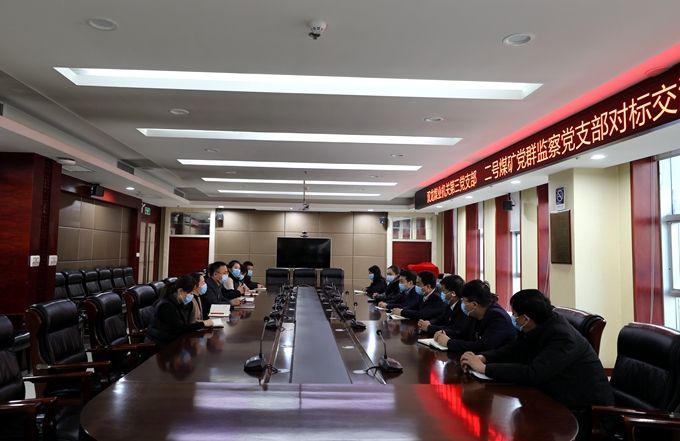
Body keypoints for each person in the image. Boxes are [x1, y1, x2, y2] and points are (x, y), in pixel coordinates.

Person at [460, 289, 615, 440]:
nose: (513, 318)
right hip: (554, 400)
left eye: (514, 314)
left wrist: (485, 369)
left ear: (526, 319)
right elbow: (513, 349)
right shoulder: (536, 326)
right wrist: (484, 358)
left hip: (584, 414)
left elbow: (533, 373)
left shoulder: (562, 336)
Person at [432, 279, 516, 353]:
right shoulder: (474, 313)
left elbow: (483, 346)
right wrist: (445, 333)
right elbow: (464, 334)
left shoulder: (498, 317)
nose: (462, 305)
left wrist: (449, 343)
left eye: (464, 301)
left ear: (474, 304)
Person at [146, 275, 214, 349]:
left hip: (174, 342)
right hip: (161, 346)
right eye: (191, 293)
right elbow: (180, 328)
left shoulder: (180, 303)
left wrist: (198, 323)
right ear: (180, 291)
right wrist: (203, 324)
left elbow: (183, 324)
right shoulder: (166, 306)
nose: (192, 296)